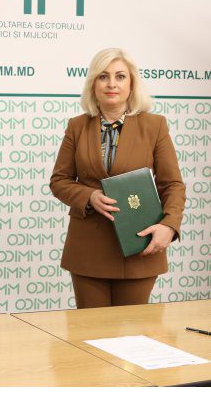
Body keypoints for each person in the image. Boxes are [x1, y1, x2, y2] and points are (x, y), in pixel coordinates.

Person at [49, 48, 185, 309]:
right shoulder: (77, 126)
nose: (112, 83)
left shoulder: (155, 126)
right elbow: (59, 181)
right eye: (103, 76)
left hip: (139, 245)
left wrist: (169, 226)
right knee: (90, 330)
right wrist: (89, 196)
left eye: (120, 76)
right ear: (93, 84)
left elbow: (172, 185)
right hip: (88, 250)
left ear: (131, 84)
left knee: (135, 331)